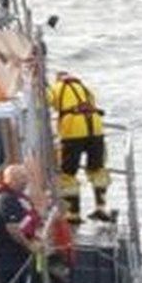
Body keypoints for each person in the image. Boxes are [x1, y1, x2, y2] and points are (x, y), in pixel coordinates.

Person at [48, 71, 111, 223]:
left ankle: (73, 213)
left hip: (73, 132)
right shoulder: (85, 88)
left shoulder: (57, 87)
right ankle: (101, 207)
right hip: (96, 129)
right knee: (97, 169)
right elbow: (92, 103)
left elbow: (45, 101)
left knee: (68, 173)